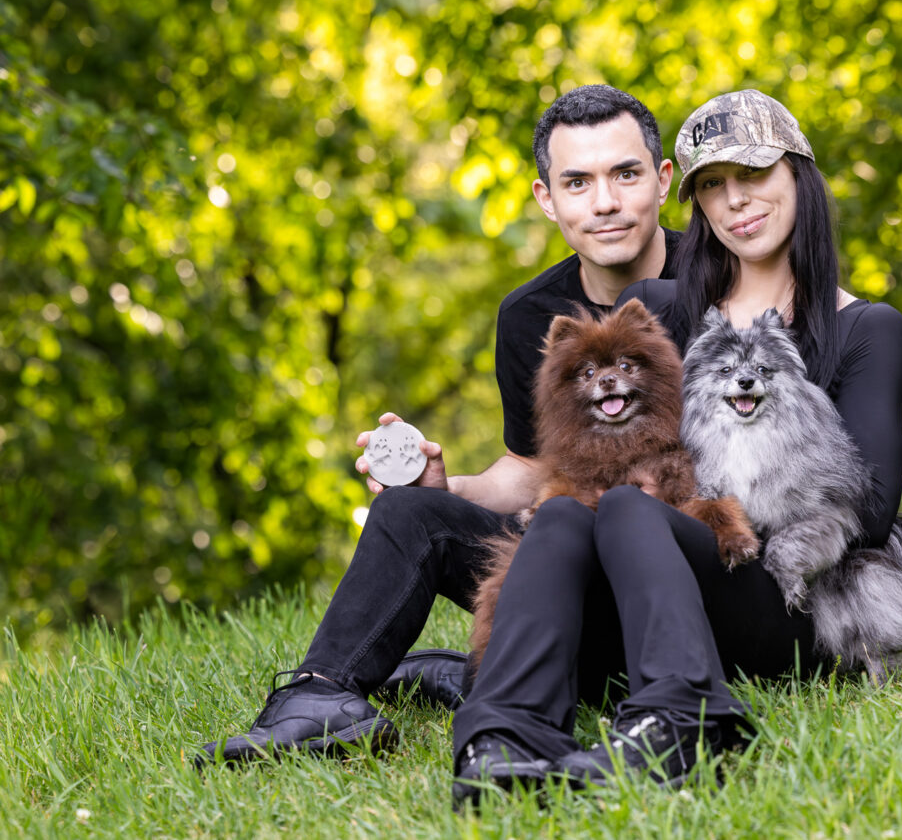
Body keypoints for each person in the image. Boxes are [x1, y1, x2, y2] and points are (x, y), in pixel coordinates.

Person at [195, 85, 682, 766]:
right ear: (547, 198)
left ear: (663, 181)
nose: (604, 201)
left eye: (624, 174)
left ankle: (471, 673)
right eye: (578, 181)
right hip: (571, 571)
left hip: (682, 584)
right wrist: (448, 485)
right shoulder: (528, 317)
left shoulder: (719, 282)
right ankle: (320, 699)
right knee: (411, 509)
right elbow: (531, 466)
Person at [450, 90, 902, 803]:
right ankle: (505, 733)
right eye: (713, 187)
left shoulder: (866, 327)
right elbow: (618, 446)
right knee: (574, 510)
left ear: (799, 178)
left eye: (754, 175)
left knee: (632, 509)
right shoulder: (666, 306)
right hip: (675, 582)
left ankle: (684, 719)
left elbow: (872, 511)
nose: (736, 201)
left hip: (793, 594)